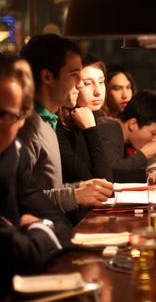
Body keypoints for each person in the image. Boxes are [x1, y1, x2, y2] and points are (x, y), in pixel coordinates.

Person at [18, 34, 113, 218]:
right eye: (74, 75)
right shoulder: (27, 126)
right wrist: (74, 194)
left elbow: (47, 189)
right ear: (47, 76)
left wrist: (78, 188)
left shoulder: (48, 121)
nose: (80, 84)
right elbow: (15, 199)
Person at [0, 54, 72, 297]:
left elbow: (63, 225)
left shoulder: (12, 156)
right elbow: (18, 254)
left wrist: (28, 232)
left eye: (3, 115)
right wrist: (37, 229)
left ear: (23, 118)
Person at [56, 54, 113, 183]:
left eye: (101, 82)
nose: (98, 91)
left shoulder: (99, 118)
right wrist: (90, 130)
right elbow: (103, 186)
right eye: (87, 83)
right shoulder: (60, 127)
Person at [97, 90, 156, 182]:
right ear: (133, 124)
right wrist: (143, 154)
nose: (154, 140)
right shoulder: (109, 128)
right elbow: (110, 172)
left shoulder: (120, 134)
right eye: (154, 133)